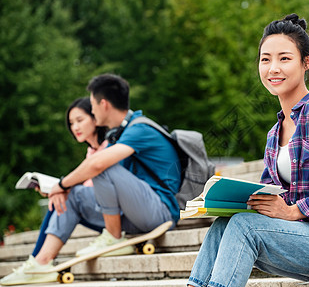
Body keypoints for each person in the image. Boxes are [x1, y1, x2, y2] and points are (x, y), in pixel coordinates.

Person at [187, 13, 309, 287]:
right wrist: (228, 202)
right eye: (265, 59)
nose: (273, 68)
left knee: (245, 228)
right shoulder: (274, 134)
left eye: (284, 58)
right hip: (308, 238)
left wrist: (293, 211)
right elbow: (272, 199)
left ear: (306, 62)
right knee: (224, 224)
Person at [2, 74, 181, 286]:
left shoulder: (140, 128)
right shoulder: (122, 133)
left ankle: (113, 236)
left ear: (103, 104)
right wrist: (64, 189)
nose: (92, 111)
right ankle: (40, 263)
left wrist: (60, 184)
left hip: (160, 211)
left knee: (100, 165)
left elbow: (98, 165)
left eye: (93, 105)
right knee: (73, 194)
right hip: (136, 212)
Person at [1, 97, 108, 286]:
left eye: (80, 120)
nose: (75, 127)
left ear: (95, 118)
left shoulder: (110, 145)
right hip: (103, 210)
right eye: (71, 123)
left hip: (117, 212)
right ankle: (36, 263)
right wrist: (57, 190)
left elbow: (102, 188)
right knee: (60, 198)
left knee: (66, 196)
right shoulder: (92, 151)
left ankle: (38, 263)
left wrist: (63, 189)